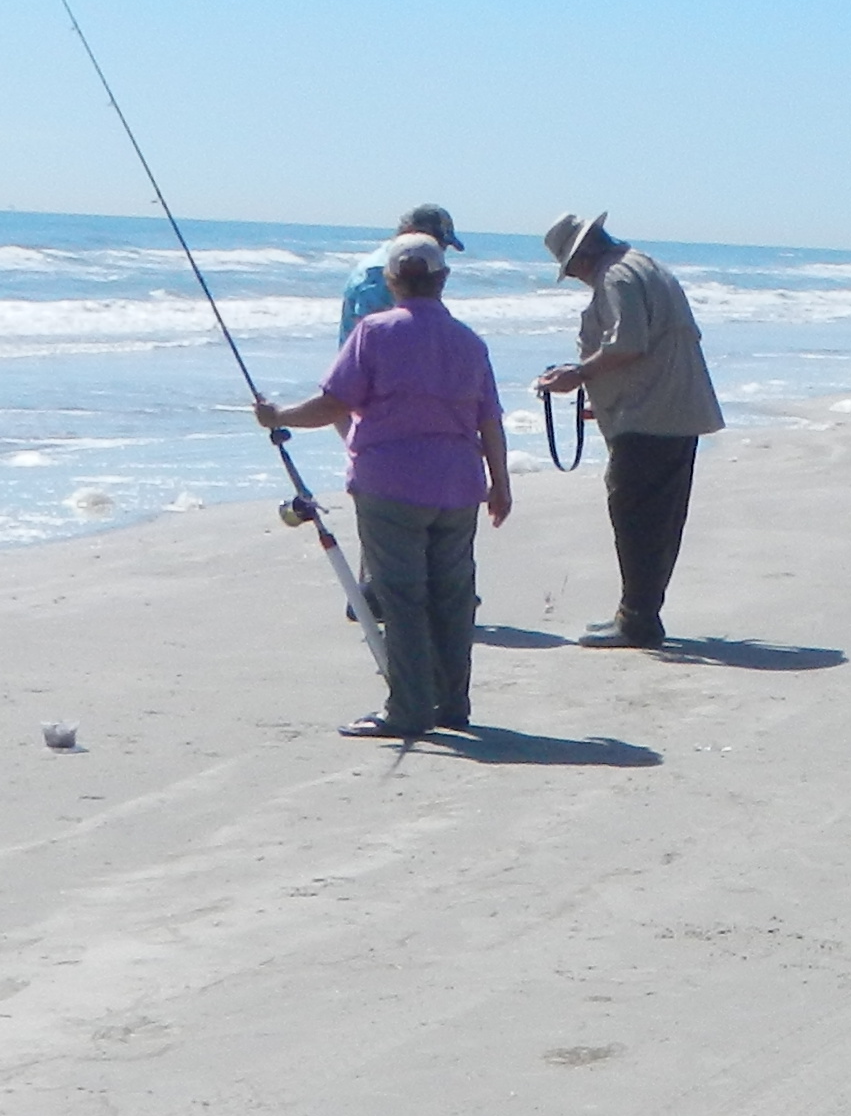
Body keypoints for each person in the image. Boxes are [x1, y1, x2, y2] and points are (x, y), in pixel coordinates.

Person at [261, 231, 511, 740]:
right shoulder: (469, 341)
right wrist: (500, 484)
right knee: (453, 596)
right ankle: (451, 701)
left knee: (403, 598)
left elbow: (334, 403)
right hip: (459, 485)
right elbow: (490, 422)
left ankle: (408, 708)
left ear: (394, 280)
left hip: (391, 485)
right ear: (443, 279)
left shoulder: (375, 332)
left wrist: (277, 415)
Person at [533, 213, 725, 651]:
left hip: (649, 417)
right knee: (662, 518)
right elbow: (651, 348)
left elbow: (628, 343)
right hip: (673, 408)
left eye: (574, 268)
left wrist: (577, 375)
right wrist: (603, 401)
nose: (578, 278)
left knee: (634, 517)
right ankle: (640, 612)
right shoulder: (646, 266)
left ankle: (637, 618)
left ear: (583, 254)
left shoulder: (615, 276)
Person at [340, 205, 465, 341]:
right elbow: (375, 339)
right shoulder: (378, 273)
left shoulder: (392, 263)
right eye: (437, 243)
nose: (439, 252)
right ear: (412, 233)